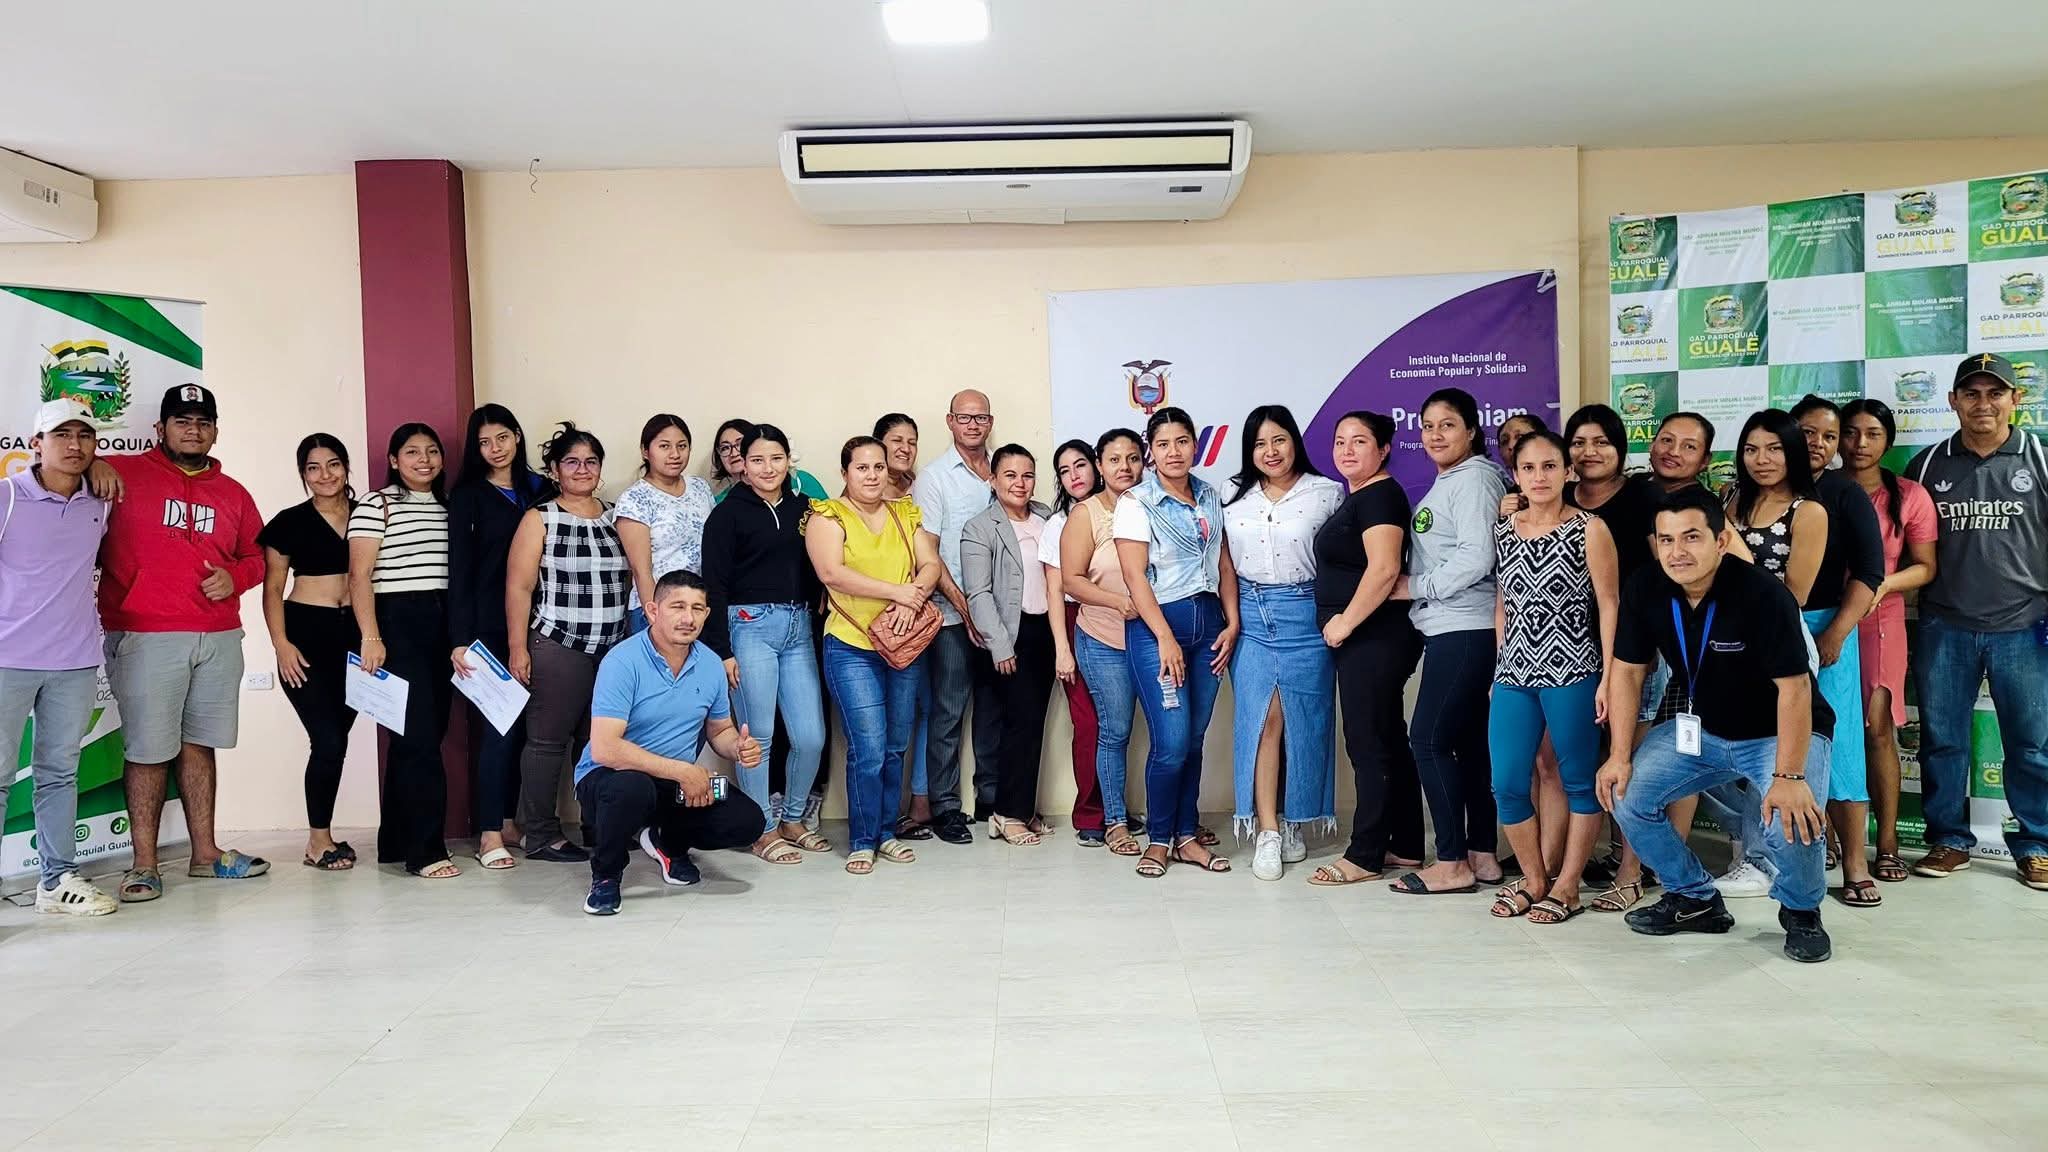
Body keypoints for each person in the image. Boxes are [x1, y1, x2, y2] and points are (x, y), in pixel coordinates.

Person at [1597, 485, 1835, 964]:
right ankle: (1694, 898)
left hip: (1779, 733)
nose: (1677, 552)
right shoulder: (1646, 587)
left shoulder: (1762, 594)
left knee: (1792, 817)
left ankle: (1802, 910)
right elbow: (1626, 672)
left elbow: (1795, 690)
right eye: (1667, 540)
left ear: (1721, 541)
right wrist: (1619, 755)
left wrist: (1789, 777)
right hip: (1704, 730)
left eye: (1691, 537)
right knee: (1626, 793)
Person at [99, 384, 270, 902]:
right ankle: (144, 865)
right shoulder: (121, 475)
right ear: (160, 428)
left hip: (218, 635)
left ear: (215, 431)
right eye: (182, 421)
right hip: (146, 633)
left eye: (202, 422)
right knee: (148, 750)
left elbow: (259, 557)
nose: (193, 430)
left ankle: (206, 855)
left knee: (200, 744)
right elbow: (68, 472)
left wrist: (235, 578)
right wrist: (93, 466)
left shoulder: (234, 493)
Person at [1906, 353, 2048, 889]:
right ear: (1953, 401)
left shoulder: (2040, 457)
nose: (1983, 404)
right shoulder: (1926, 465)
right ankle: (1948, 840)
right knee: (1943, 741)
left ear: (2016, 399)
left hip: (2026, 626)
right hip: (1945, 626)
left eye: (1995, 393)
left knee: (2031, 744)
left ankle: (2037, 844)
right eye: (1971, 393)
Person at [574, 569, 767, 915]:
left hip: (673, 783)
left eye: (697, 608)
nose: (688, 618)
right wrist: (683, 771)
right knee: (632, 788)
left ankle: (668, 843)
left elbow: (720, 731)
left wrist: (737, 748)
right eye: (678, 606)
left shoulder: (711, 664)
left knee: (748, 819)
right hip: (608, 779)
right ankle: (605, 877)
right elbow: (605, 749)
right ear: (652, 611)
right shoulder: (622, 661)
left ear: (707, 614)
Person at [1487, 431, 1619, 923]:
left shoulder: (1590, 529)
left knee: (1578, 781)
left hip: (1573, 669)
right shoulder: (1505, 529)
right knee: (1506, 783)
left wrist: (1608, 678)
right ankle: (1535, 879)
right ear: (1516, 475)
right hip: (1514, 673)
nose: (1539, 477)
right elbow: (1503, 602)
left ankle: (1567, 887)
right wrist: (1499, 664)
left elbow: (1609, 603)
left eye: (1549, 467)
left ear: (1567, 472)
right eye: (1528, 468)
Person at [1592, 409, 1720, 913]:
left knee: (1669, 760)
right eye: (1666, 440)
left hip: (1681, 651)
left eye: (1688, 446)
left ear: (1705, 459)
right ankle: (1637, 860)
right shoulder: (1640, 492)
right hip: (1632, 644)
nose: (1673, 451)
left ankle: (1648, 871)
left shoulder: (1702, 509)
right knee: (1627, 756)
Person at [0, 398, 120, 914]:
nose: (74, 445)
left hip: (75, 660)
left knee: (58, 773)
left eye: (85, 436)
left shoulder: (101, 501)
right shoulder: (7, 497)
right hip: (8, 660)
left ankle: (56, 880)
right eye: (61, 435)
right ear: (36, 444)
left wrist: (103, 466)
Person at [806, 437, 943, 874]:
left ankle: (886, 834)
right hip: (851, 645)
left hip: (903, 643)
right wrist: (897, 592)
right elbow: (832, 573)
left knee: (895, 746)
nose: (871, 475)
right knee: (868, 748)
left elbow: (931, 564)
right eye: (862, 468)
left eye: (878, 467)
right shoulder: (827, 515)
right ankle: (862, 840)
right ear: (845, 473)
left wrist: (912, 597)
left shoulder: (905, 512)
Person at [1708, 409, 1828, 899]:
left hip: (1778, 642)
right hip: (1722, 644)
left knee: (1773, 753)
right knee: (1710, 750)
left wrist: (1734, 550)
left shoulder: (1808, 512)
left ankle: (1764, 862)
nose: (1762, 459)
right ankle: (1750, 847)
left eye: (1774, 449)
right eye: (1752, 449)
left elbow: (1792, 594)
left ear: (1792, 452)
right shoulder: (1728, 499)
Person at [1390, 388, 1506, 894]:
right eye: (1428, 426)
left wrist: (1416, 586)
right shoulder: (1455, 480)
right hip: (1459, 628)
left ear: (1472, 431)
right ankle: (1482, 855)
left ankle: (1452, 862)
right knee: (1470, 745)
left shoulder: (1474, 478)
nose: (1435, 435)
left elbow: (1478, 557)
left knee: (1428, 741)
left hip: (1464, 627)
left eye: (1448, 425)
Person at [1117, 407, 1241, 877]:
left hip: (1209, 627)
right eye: (1163, 444)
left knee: (1192, 740)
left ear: (1195, 445)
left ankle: (1186, 837)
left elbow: (1223, 563)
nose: (1174, 452)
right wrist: (1165, 638)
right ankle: (1158, 840)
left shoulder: (1210, 495)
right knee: (1169, 742)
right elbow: (1134, 577)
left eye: (1182, 442)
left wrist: (1232, 622)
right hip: (1157, 631)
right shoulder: (1137, 502)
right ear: (1151, 451)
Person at [1223, 404, 1342, 880]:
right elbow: (1224, 562)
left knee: (1304, 723)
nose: (1270, 451)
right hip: (1252, 617)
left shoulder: (1327, 493)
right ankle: (1268, 831)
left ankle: (1295, 821)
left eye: (1279, 440)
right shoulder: (1232, 496)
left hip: (1307, 617)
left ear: (1295, 441)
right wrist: (1233, 620)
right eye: (1259, 444)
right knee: (1263, 722)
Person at [700, 423, 829, 863]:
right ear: (743, 464)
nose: (767, 467)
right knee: (758, 735)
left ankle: (792, 818)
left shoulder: (805, 508)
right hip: (748, 627)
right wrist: (722, 651)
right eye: (757, 459)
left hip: (798, 629)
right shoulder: (726, 514)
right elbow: (713, 585)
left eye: (776, 458)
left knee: (810, 736)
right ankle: (762, 828)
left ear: (789, 461)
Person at [1308, 411, 1425, 886]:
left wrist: (1344, 623)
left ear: (1384, 449)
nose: (1347, 450)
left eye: (1359, 441)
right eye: (1340, 441)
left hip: (1374, 636)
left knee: (1368, 741)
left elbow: (1384, 569)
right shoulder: (1362, 496)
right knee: (1388, 736)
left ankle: (1365, 854)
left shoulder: (1379, 495)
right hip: (1369, 637)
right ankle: (1406, 844)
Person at [505, 423, 629, 864]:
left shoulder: (617, 515)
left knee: (599, 742)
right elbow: (519, 587)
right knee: (547, 742)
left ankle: (599, 825)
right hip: (559, 642)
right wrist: (518, 648)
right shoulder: (540, 518)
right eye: (572, 462)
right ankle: (541, 834)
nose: (582, 469)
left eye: (590, 462)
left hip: (612, 647)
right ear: (555, 470)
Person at [349, 422, 457, 877]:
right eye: (412, 452)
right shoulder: (377, 505)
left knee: (420, 735)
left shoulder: (447, 507)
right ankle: (425, 851)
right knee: (418, 739)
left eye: (432, 451)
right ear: (394, 460)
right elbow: (359, 576)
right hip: (397, 622)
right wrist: (371, 636)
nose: (424, 460)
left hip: (442, 620)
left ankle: (394, 840)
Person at [1789, 394, 1884, 904]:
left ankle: (1854, 865)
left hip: (1827, 629)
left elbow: (1870, 572)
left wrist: (1836, 633)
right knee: (1769, 746)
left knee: (1841, 747)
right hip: (1767, 632)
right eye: (1808, 432)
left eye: (1830, 436)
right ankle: (1770, 858)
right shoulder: (1756, 488)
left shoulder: (1845, 493)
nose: (1819, 444)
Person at [1840, 398, 1937, 885]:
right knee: (1828, 731)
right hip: (1826, 620)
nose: (1860, 443)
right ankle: (1832, 840)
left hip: (1881, 619)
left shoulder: (1909, 495)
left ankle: (1888, 844)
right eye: (1851, 432)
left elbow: (1925, 567)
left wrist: (1881, 585)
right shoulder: (1820, 489)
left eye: (1873, 434)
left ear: (1888, 441)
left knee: (1878, 730)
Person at [446, 404, 546, 870]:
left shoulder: (539, 489)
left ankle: (508, 821)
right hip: (487, 629)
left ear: (517, 436)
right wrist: (460, 638)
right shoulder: (467, 495)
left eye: (502, 437)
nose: (495, 449)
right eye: (484, 442)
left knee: (526, 731)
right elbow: (460, 572)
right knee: (497, 730)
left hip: (540, 624)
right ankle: (489, 834)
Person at [260, 433, 362, 871]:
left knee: (336, 741)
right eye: (313, 468)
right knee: (327, 738)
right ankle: (317, 841)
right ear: (303, 474)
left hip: (355, 637)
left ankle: (325, 834)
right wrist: (281, 645)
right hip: (305, 636)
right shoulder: (289, 522)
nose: (325, 475)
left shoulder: (366, 514)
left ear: (346, 467)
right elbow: (272, 588)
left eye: (333, 464)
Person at [912, 389, 1000, 838]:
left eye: (980, 417)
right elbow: (928, 551)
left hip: (1001, 616)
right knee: (947, 711)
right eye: (964, 417)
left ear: (990, 422)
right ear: (950, 421)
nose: (972, 425)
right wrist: (966, 608)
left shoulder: (1003, 470)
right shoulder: (934, 478)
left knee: (993, 710)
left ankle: (991, 799)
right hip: (951, 615)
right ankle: (945, 805)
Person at [961, 444, 1057, 845]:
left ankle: (1022, 807)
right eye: (1010, 475)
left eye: (1028, 475)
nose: (1020, 483)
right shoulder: (980, 527)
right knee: (1015, 725)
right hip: (1008, 635)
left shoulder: (1046, 517)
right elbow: (978, 592)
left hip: (1046, 631)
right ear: (993, 480)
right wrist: (1000, 645)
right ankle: (1005, 812)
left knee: (1033, 724)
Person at [1062, 428, 1148, 857]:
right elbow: (1071, 580)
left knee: (1171, 735)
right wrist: (1118, 602)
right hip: (1103, 638)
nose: (1124, 467)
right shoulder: (1087, 514)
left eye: (1133, 458)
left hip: (1155, 638)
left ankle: (1173, 822)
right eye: (1114, 459)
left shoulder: (1155, 504)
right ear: (1100, 465)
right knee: (1115, 731)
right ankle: (1114, 821)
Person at [875, 412, 937, 838]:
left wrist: (913, 597)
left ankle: (919, 801)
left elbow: (929, 558)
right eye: (896, 440)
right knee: (880, 725)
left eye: (912, 441)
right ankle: (880, 815)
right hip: (875, 621)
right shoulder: (864, 491)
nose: (905, 448)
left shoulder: (920, 489)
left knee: (925, 710)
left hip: (918, 618)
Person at [1043, 440, 1107, 845]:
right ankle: (1090, 815)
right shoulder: (1058, 524)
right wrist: (1062, 650)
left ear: (1096, 466)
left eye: (1079, 465)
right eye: (1064, 471)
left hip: (1118, 616)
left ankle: (1115, 810)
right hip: (1072, 619)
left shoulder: (1120, 510)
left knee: (1117, 724)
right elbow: (1054, 590)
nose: (1074, 476)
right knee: (1088, 723)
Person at [615, 414, 715, 635]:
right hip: (657, 610)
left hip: (698, 607)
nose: (675, 454)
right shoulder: (635, 499)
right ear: (645, 451)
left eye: (682, 446)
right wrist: (656, 619)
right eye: (664, 446)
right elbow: (641, 571)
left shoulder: (700, 487)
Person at [711, 417, 828, 502]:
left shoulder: (800, 480)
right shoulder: (721, 502)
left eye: (740, 444)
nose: (733, 453)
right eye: (725, 448)